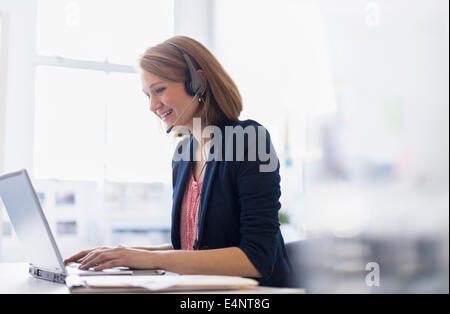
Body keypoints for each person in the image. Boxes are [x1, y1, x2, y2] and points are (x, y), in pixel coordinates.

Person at [64, 36, 291, 287]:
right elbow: (193, 244)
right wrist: (120, 255)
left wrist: (148, 259)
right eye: (147, 95)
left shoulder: (249, 140)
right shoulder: (184, 153)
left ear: (198, 83)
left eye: (159, 90)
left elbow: (257, 258)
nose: (152, 105)